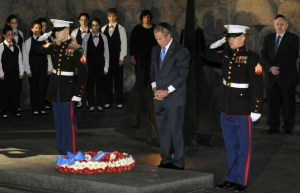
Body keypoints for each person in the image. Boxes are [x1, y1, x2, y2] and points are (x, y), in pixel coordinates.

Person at [204, 25, 263, 192]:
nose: (231, 40)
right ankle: (230, 178)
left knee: (244, 146)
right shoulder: (226, 55)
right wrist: (221, 40)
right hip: (226, 107)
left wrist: (256, 109)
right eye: (229, 37)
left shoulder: (251, 57)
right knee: (230, 146)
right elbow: (206, 53)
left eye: (234, 37)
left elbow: (257, 85)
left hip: (243, 109)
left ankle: (241, 181)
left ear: (243, 38)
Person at [34, 19, 88, 155]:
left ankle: (71, 151)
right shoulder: (53, 46)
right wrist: (43, 37)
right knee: (58, 122)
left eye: (58, 32)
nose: (55, 34)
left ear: (66, 31)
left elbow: (83, 73)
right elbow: (36, 48)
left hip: (68, 90)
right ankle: (62, 150)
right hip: (55, 89)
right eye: (54, 32)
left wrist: (79, 93)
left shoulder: (76, 48)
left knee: (68, 123)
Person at [150, 22, 190, 170]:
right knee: (163, 130)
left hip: (174, 98)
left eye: (160, 38)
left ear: (169, 36)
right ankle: (166, 159)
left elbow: (182, 75)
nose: (158, 41)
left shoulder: (181, 51)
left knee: (175, 130)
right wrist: (154, 88)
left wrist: (167, 91)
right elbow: (152, 71)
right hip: (158, 98)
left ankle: (179, 162)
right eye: (156, 38)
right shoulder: (155, 50)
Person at [261, 15, 299, 135]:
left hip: (287, 76)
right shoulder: (268, 38)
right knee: (272, 104)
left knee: (288, 104)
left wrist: (278, 68)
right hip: (271, 77)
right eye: (277, 24)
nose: (279, 26)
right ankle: (273, 126)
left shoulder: (293, 38)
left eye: (282, 24)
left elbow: (292, 56)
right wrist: (270, 68)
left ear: (287, 25)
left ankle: (288, 127)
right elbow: (263, 56)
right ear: (274, 25)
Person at [23, 20, 52, 115]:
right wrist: (28, 70)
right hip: (33, 69)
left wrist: (49, 68)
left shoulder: (45, 40)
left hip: (43, 68)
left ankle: (41, 107)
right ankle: (35, 108)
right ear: (32, 29)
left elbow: (49, 55)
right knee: (34, 88)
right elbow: (25, 57)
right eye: (36, 28)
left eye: (39, 28)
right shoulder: (28, 42)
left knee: (42, 87)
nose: (38, 30)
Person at [101, 8, 127, 109]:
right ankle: (108, 101)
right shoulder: (103, 29)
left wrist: (121, 58)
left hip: (117, 59)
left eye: (114, 16)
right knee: (107, 80)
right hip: (106, 60)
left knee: (118, 80)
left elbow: (124, 43)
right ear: (107, 17)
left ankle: (119, 101)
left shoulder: (121, 29)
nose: (112, 18)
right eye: (110, 16)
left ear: (116, 17)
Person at [82, 18, 109, 112]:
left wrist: (106, 67)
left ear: (99, 26)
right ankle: (91, 103)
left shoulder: (104, 37)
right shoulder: (86, 37)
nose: (95, 27)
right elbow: (84, 53)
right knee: (89, 85)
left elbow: (106, 53)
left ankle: (100, 103)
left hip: (100, 64)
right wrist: (84, 66)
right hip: (89, 65)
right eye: (93, 25)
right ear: (91, 26)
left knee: (100, 84)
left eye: (97, 25)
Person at [0, 26, 24, 118]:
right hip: (5, 74)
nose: (10, 36)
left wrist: (21, 72)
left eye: (12, 34)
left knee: (15, 91)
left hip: (15, 73)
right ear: (4, 35)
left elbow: (20, 61)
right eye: (8, 34)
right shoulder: (1, 47)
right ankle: (4, 111)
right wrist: (1, 74)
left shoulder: (17, 47)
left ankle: (14, 110)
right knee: (5, 92)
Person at [5, 15, 24, 112]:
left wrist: (23, 67)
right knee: (7, 88)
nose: (14, 25)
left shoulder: (20, 33)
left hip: (18, 64)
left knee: (17, 87)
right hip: (7, 65)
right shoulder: (5, 34)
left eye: (16, 22)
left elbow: (23, 49)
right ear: (8, 24)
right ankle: (7, 107)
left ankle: (16, 106)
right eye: (12, 23)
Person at [71, 13, 91, 108]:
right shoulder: (74, 33)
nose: (84, 21)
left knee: (89, 81)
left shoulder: (92, 31)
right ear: (79, 21)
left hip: (90, 61)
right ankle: (78, 101)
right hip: (78, 61)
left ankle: (88, 100)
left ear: (88, 21)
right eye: (82, 20)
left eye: (85, 19)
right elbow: (73, 49)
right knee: (78, 81)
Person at [37, 17, 53, 110]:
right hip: (42, 65)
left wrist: (51, 67)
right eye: (42, 25)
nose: (44, 27)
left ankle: (47, 102)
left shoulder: (49, 36)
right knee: (41, 85)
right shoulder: (38, 38)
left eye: (45, 25)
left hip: (50, 65)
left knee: (48, 85)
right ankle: (41, 104)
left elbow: (51, 53)